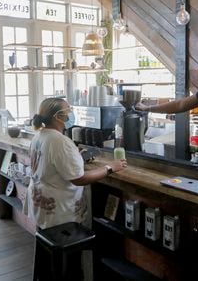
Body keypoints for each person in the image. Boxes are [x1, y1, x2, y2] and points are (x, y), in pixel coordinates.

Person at [28, 98, 127, 281]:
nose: (70, 113)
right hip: (59, 212)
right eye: (68, 110)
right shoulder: (59, 141)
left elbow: (54, 164)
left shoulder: (40, 135)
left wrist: (77, 158)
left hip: (41, 206)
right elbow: (79, 179)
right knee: (70, 263)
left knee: (47, 257)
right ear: (59, 116)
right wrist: (109, 168)